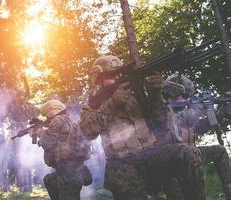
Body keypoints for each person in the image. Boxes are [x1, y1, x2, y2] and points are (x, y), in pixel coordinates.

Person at [80, 55, 206, 200]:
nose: (117, 78)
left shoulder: (137, 95)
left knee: (188, 153)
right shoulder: (92, 104)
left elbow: (162, 125)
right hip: (121, 163)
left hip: (151, 154)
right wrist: (112, 103)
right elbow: (87, 131)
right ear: (99, 80)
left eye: (120, 74)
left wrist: (155, 95)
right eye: (112, 76)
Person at [160, 74, 231, 200]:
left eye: (187, 96)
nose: (185, 99)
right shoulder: (160, 108)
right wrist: (197, 109)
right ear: (171, 93)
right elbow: (170, 125)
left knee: (219, 151)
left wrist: (220, 114)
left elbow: (198, 128)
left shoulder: (182, 111)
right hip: (169, 164)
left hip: (189, 157)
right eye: (183, 95)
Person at [31, 99, 92, 200]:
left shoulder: (58, 120)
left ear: (51, 111)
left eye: (47, 115)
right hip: (72, 168)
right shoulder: (69, 119)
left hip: (68, 172)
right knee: (49, 180)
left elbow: (48, 142)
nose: (47, 118)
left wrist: (40, 133)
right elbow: (59, 140)